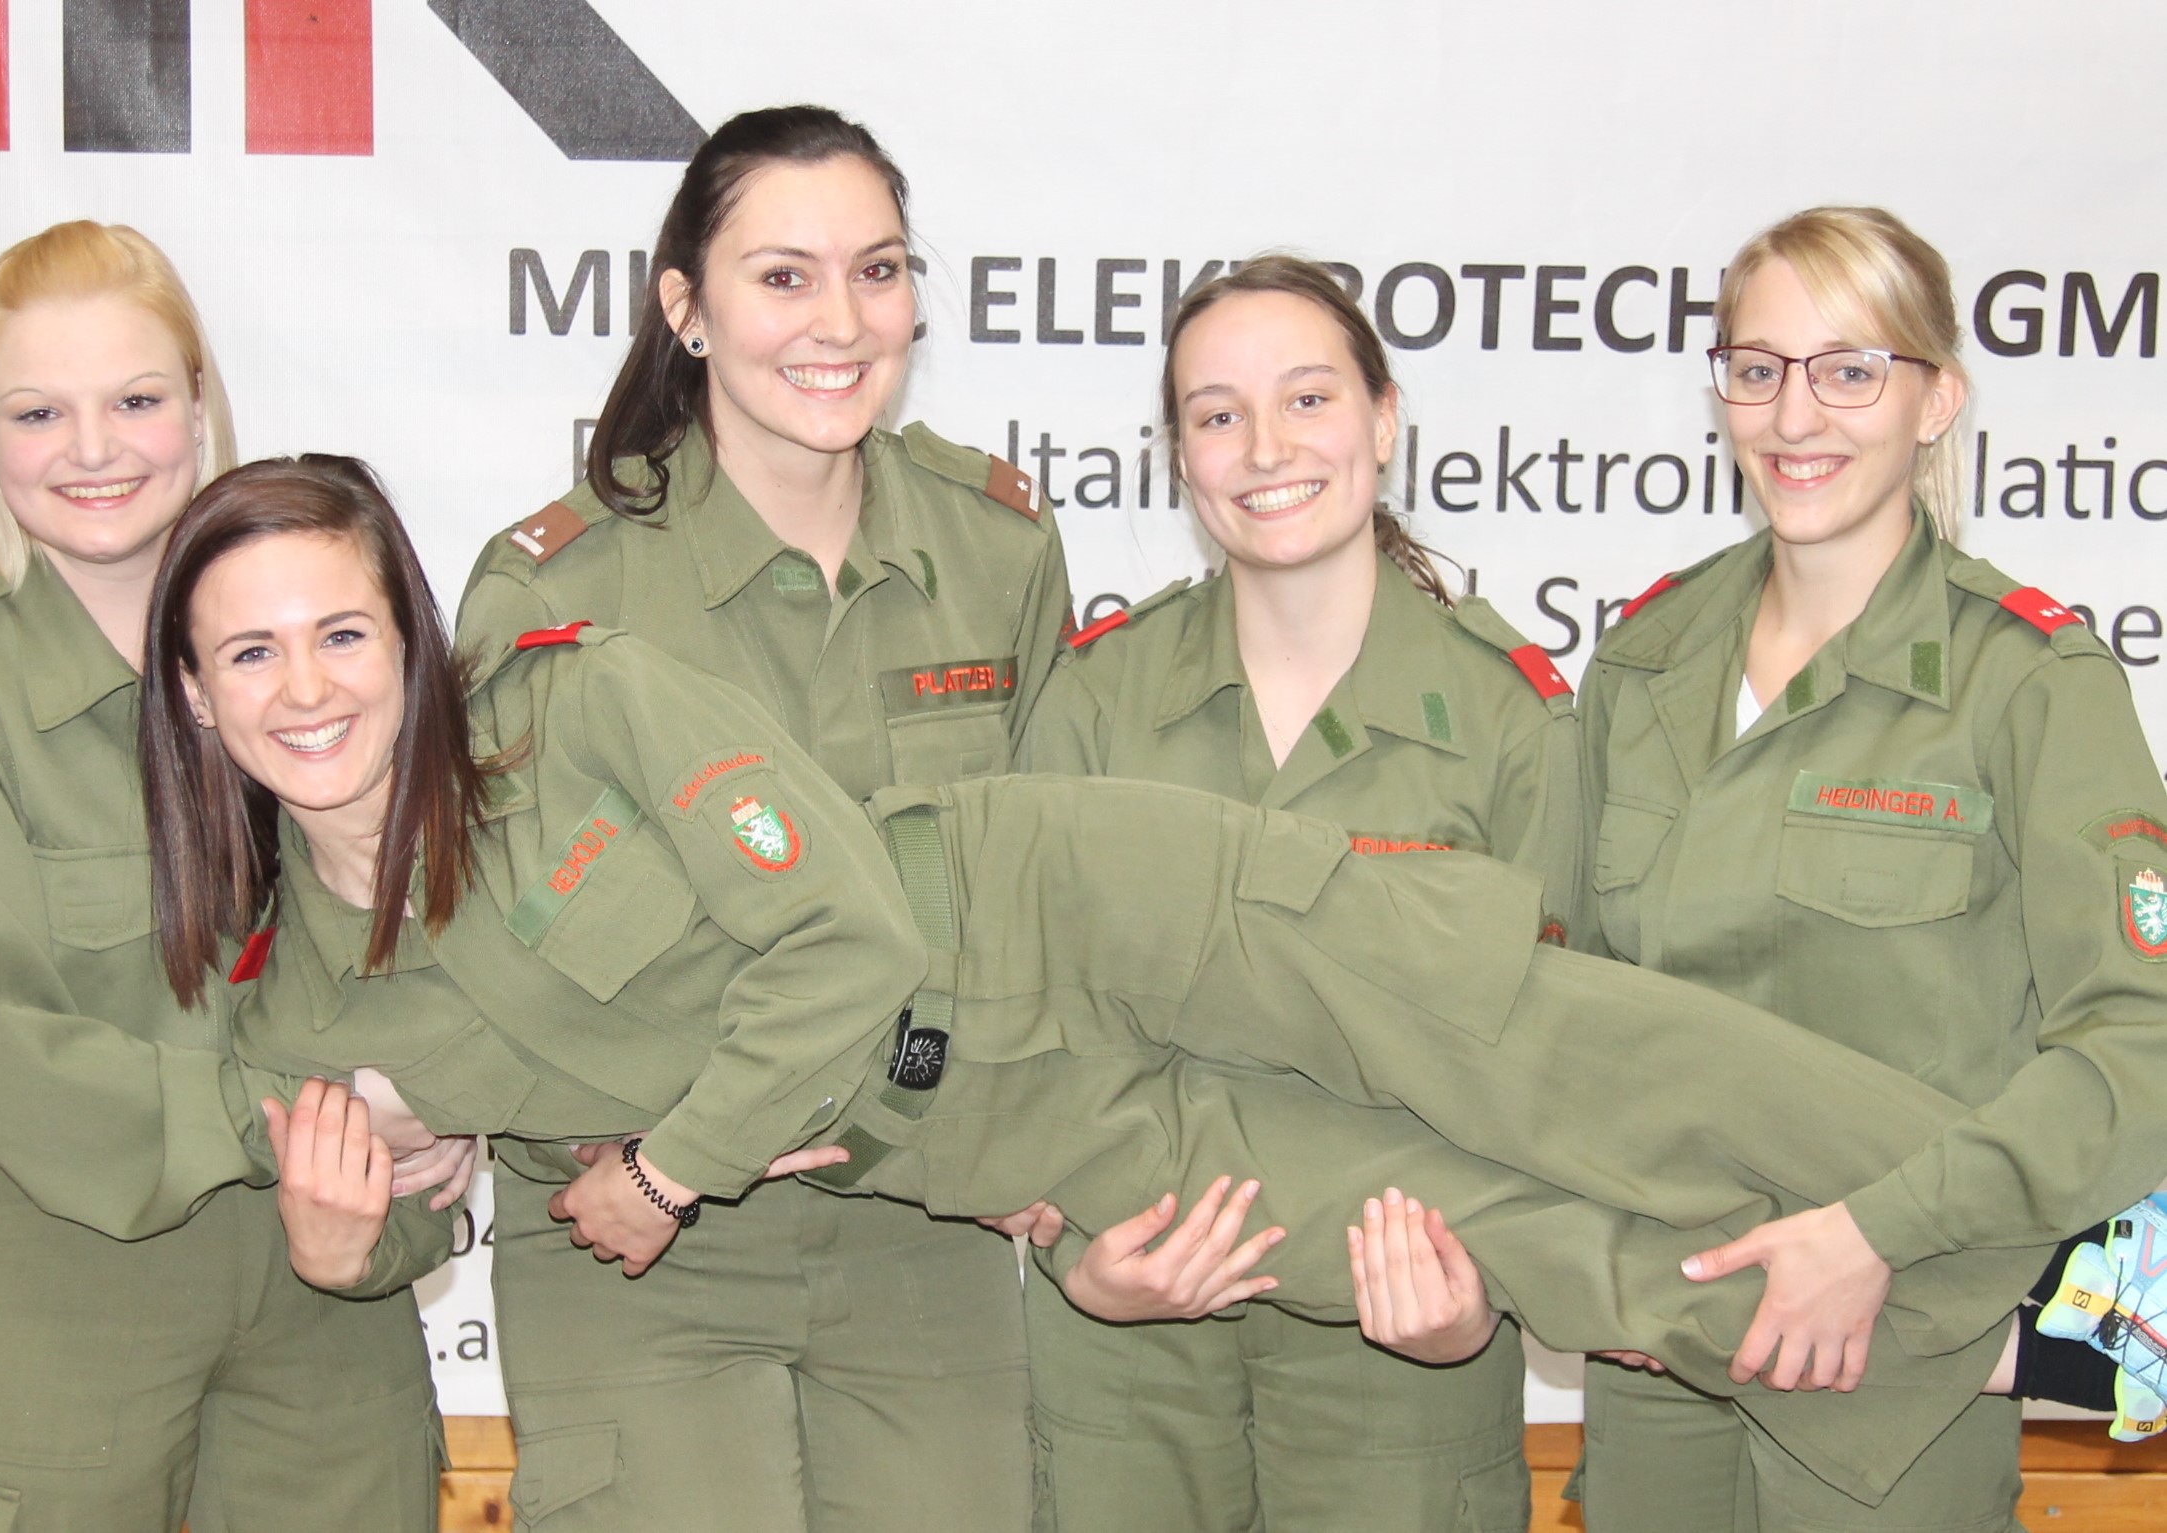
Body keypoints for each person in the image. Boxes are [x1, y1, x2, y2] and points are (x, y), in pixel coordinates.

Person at [161, 454, 2094, 1518]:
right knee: (1450, 1224)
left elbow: (840, 935)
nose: (306, 687)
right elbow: (403, 1200)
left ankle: (2069, 1248)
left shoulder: (571, 705)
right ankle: (2007, 1332)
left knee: (1543, 1049)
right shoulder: (297, 997)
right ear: (192, 692)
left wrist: (668, 1167)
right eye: (249, 655)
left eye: (342, 631)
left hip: (1066, 907)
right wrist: (357, 1231)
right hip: (990, 1120)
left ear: (415, 638)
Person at [452, 105, 1069, 1531]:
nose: (838, 321)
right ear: (687, 307)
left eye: (877, 270)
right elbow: (490, 947)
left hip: (921, 1218)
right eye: (782, 276)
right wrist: (672, 1157)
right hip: (636, 1230)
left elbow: (1043, 890)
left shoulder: (995, 545)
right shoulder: (555, 588)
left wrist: (1038, 1135)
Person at [1572, 205, 2167, 1531]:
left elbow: (2136, 1044)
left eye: (1848, 370)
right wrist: (1585, 1257)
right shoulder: (1642, 665)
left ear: (1933, 399)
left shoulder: (2028, 685)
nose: (1795, 415)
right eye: (1757, 368)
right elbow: (1555, 1000)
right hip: (1660, 1339)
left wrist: (1876, 1233)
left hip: (1897, 1350)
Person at [0, 221, 465, 1532]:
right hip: (64, 1276)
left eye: (136, 400)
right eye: (39, 412)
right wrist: (325, 1112)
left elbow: (422, 927)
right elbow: (1, 1045)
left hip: (328, 1274)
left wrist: (456, 1094)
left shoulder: (308, 663)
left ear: (199, 405)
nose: (95, 449)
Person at [1007, 254, 1575, 1533]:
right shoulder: (1094, 701)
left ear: (1384, 419)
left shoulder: (1510, 721)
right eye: (1218, 415)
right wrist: (1080, 1263)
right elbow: (1020, 1017)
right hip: (1129, 1336)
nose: (1266, 448)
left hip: (1400, 1345)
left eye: (1308, 399)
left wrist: (1477, 1298)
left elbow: (1561, 1060)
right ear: (1181, 456)